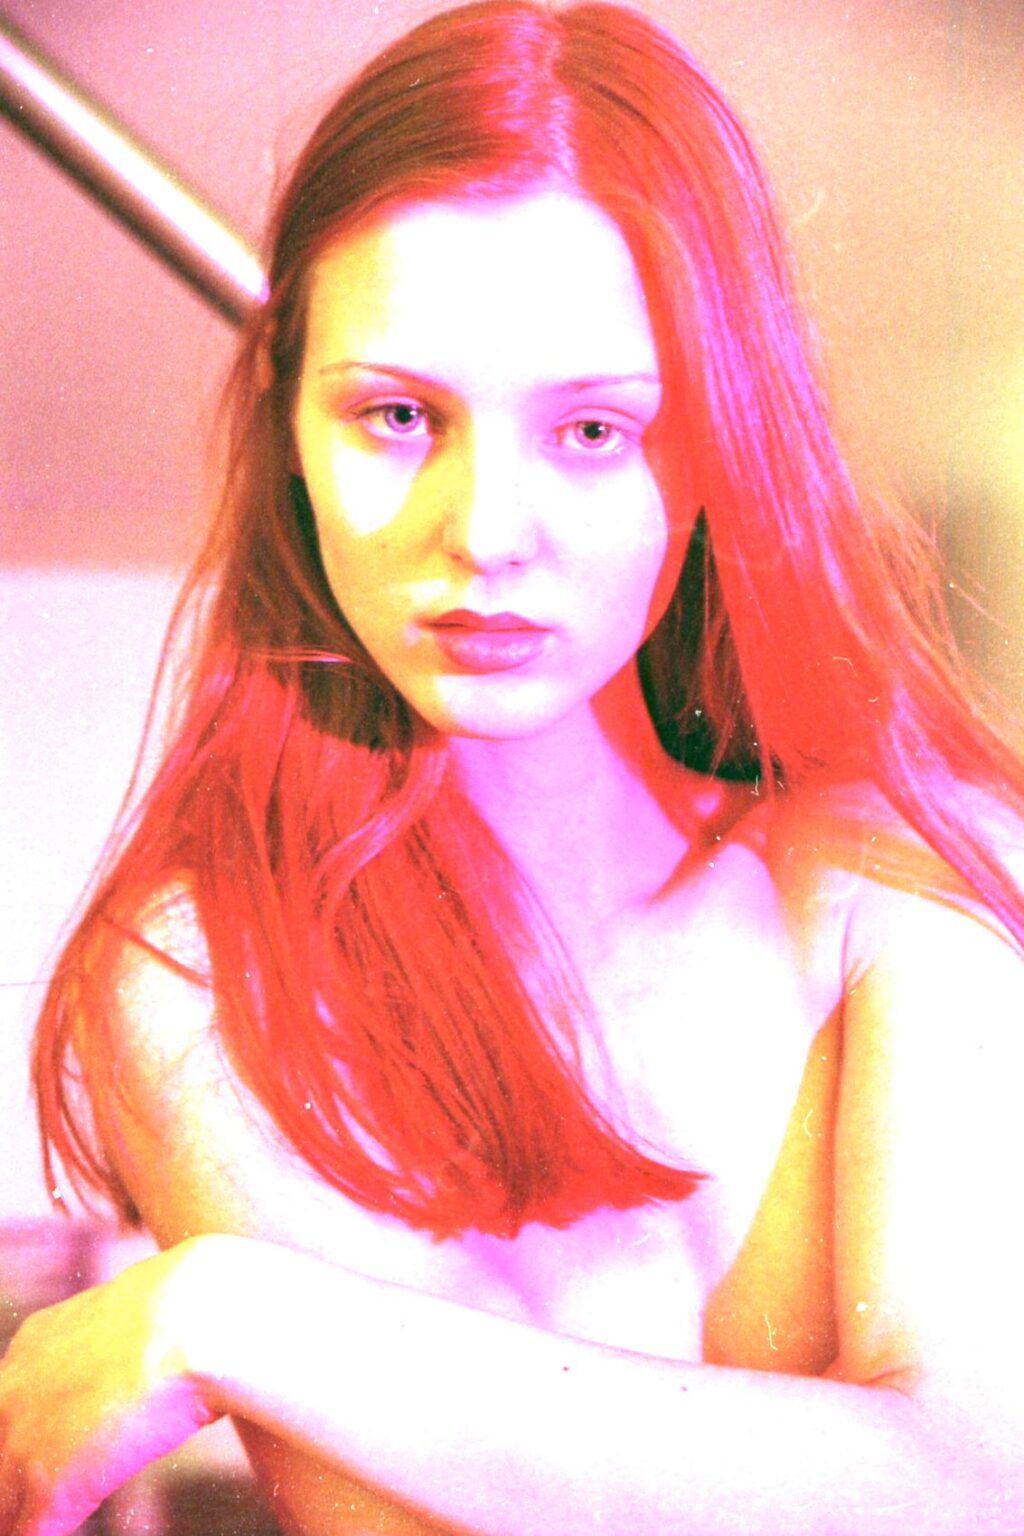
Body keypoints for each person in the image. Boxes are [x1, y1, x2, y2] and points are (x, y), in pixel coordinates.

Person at [3, 2, 1024, 1531]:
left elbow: (980, 1485)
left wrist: (222, 1314)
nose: (483, 533)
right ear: (289, 419)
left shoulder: (907, 874)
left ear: (718, 443)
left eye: (595, 430)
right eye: (397, 415)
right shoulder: (204, 978)